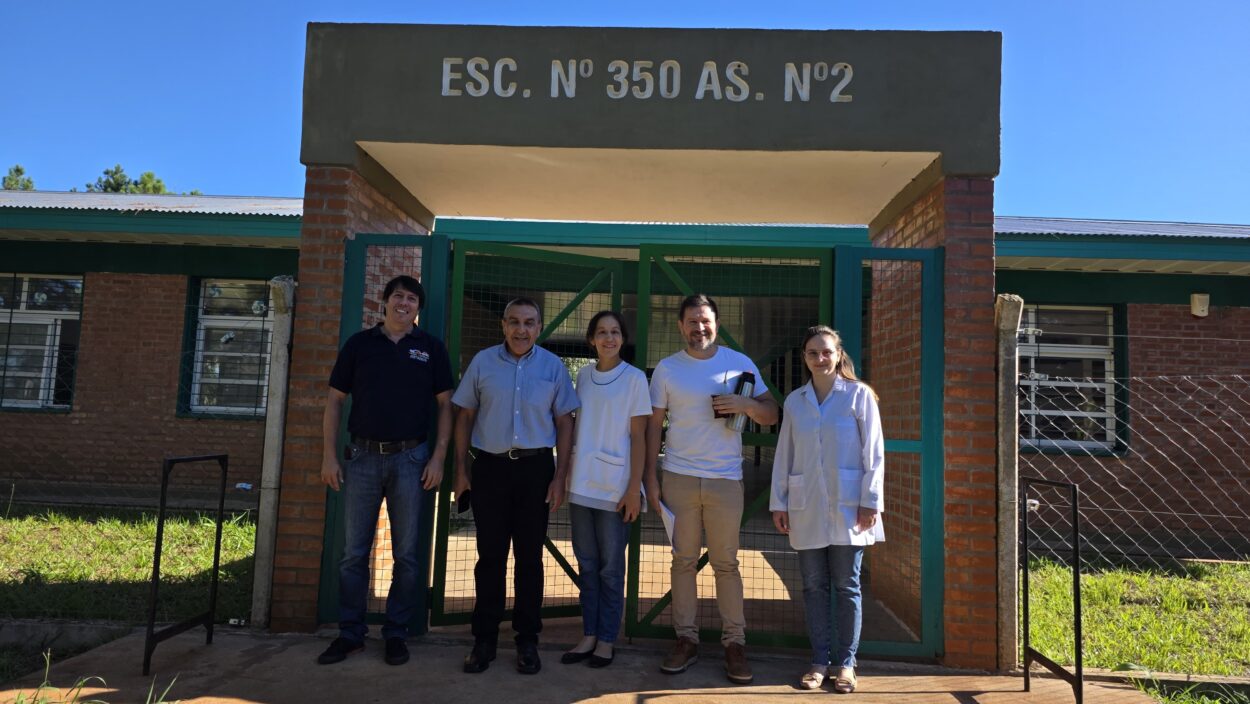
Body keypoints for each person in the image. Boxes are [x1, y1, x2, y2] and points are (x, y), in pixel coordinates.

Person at [317, 275, 453, 667]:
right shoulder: (360, 345)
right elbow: (334, 401)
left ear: (418, 309)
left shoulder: (430, 349)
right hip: (360, 459)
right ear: (385, 302)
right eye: (398, 296)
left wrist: (439, 457)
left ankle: (397, 633)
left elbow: (446, 406)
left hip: (412, 460)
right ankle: (350, 633)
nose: (404, 303)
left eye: (411, 299)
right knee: (352, 554)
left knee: (408, 555)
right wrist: (329, 456)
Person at [644, 293, 779, 685]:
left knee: (726, 564)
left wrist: (744, 403)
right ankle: (685, 640)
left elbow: (771, 414)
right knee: (683, 561)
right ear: (680, 325)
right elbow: (654, 427)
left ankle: (734, 644)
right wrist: (650, 478)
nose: (698, 327)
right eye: (691, 321)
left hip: (725, 480)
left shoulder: (739, 364)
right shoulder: (667, 370)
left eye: (705, 321)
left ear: (716, 324)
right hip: (679, 478)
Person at [452, 297, 579, 675]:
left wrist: (559, 476)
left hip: (535, 471)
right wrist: (460, 470)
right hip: (489, 470)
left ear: (539, 328)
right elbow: (464, 415)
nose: (521, 330)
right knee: (489, 558)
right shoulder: (483, 363)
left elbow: (566, 423)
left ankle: (527, 640)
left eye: (529, 323)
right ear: (503, 326)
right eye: (514, 322)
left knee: (529, 560)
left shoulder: (553, 366)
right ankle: (484, 640)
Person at [770, 325, 884, 694]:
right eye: (812, 353)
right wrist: (779, 501)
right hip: (805, 504)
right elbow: (784, 455)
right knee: (814, 586)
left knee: (847, 585)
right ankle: (819, 661)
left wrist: (871, 500)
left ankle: (846, 664)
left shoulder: (859, 396)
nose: (820, 358)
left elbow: (875, 454)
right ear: (804, 358)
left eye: (827, 352)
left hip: (850, 506)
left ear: (839, 355)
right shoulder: (795, 401)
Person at [561, 311, 651, 669]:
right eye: (602, 332)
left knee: (611, 568)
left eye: (615, 332)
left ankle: (607, 638)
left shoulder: (634, 379)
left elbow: (640, 437)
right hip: (581, 486)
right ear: (591, 340)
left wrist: (634, 489)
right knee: (587, 564)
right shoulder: (582, 376)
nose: (609, 338)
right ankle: (589, 634)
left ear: (622, 339)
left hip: (616, 489)